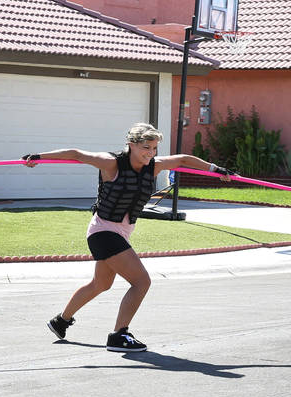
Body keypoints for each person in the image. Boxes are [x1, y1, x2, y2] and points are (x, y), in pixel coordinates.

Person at [23, 122, 234, 352]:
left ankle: (60, 321)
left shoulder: (153, 166)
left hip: (120, 233)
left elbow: (183, 159)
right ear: (131, 144)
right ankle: (118, 335)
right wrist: (38, 156)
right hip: (103, 232)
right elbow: (76, 154)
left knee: (100, 284)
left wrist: (216, 169)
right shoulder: (111, 162)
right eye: (146, 147)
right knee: (141, 281)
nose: (150, 153)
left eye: (154, 148)